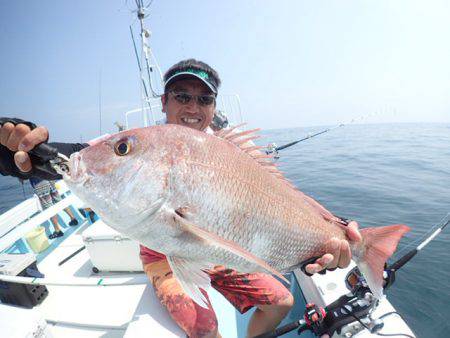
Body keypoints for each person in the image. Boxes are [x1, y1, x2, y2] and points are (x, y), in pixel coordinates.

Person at [0, 59, 361, 338]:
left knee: (282, 302)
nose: (193, 106)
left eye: (203, 98)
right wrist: (20, 147)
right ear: (165, 101)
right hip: (165, 251)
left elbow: (284, 196)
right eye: (182, 96)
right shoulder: (143, 141)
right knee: (204, 329)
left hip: (219, 251)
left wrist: (338, 231)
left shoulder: (237, 150)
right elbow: (63, 160)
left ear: (213, 105)